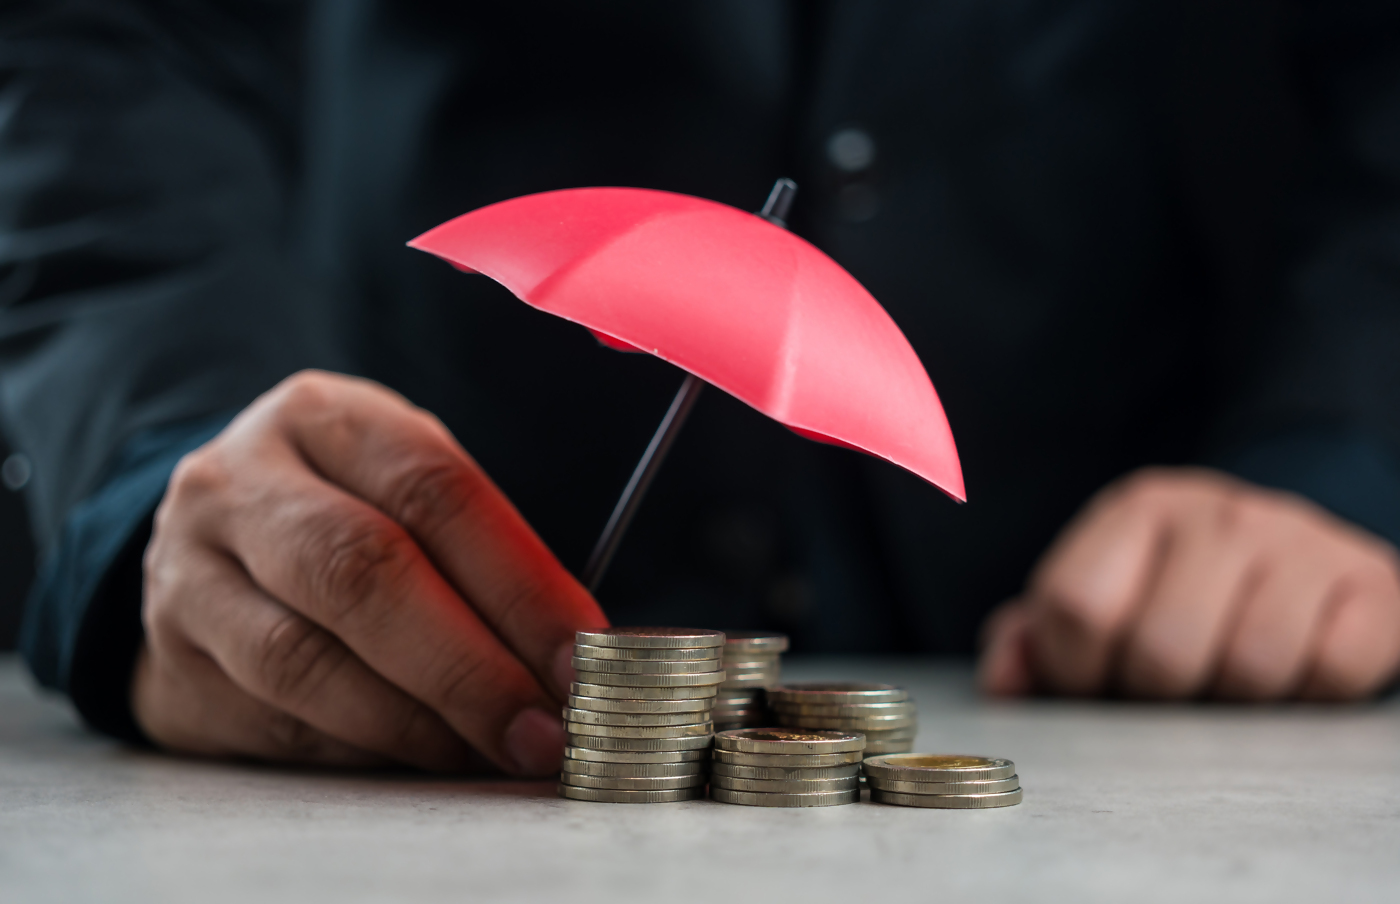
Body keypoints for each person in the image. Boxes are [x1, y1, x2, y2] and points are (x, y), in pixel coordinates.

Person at [2, 2, 1398, 777]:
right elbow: (113, 44)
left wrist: (1346, 454)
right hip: (408, 567)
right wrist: (168, 462)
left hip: (1103, 647)